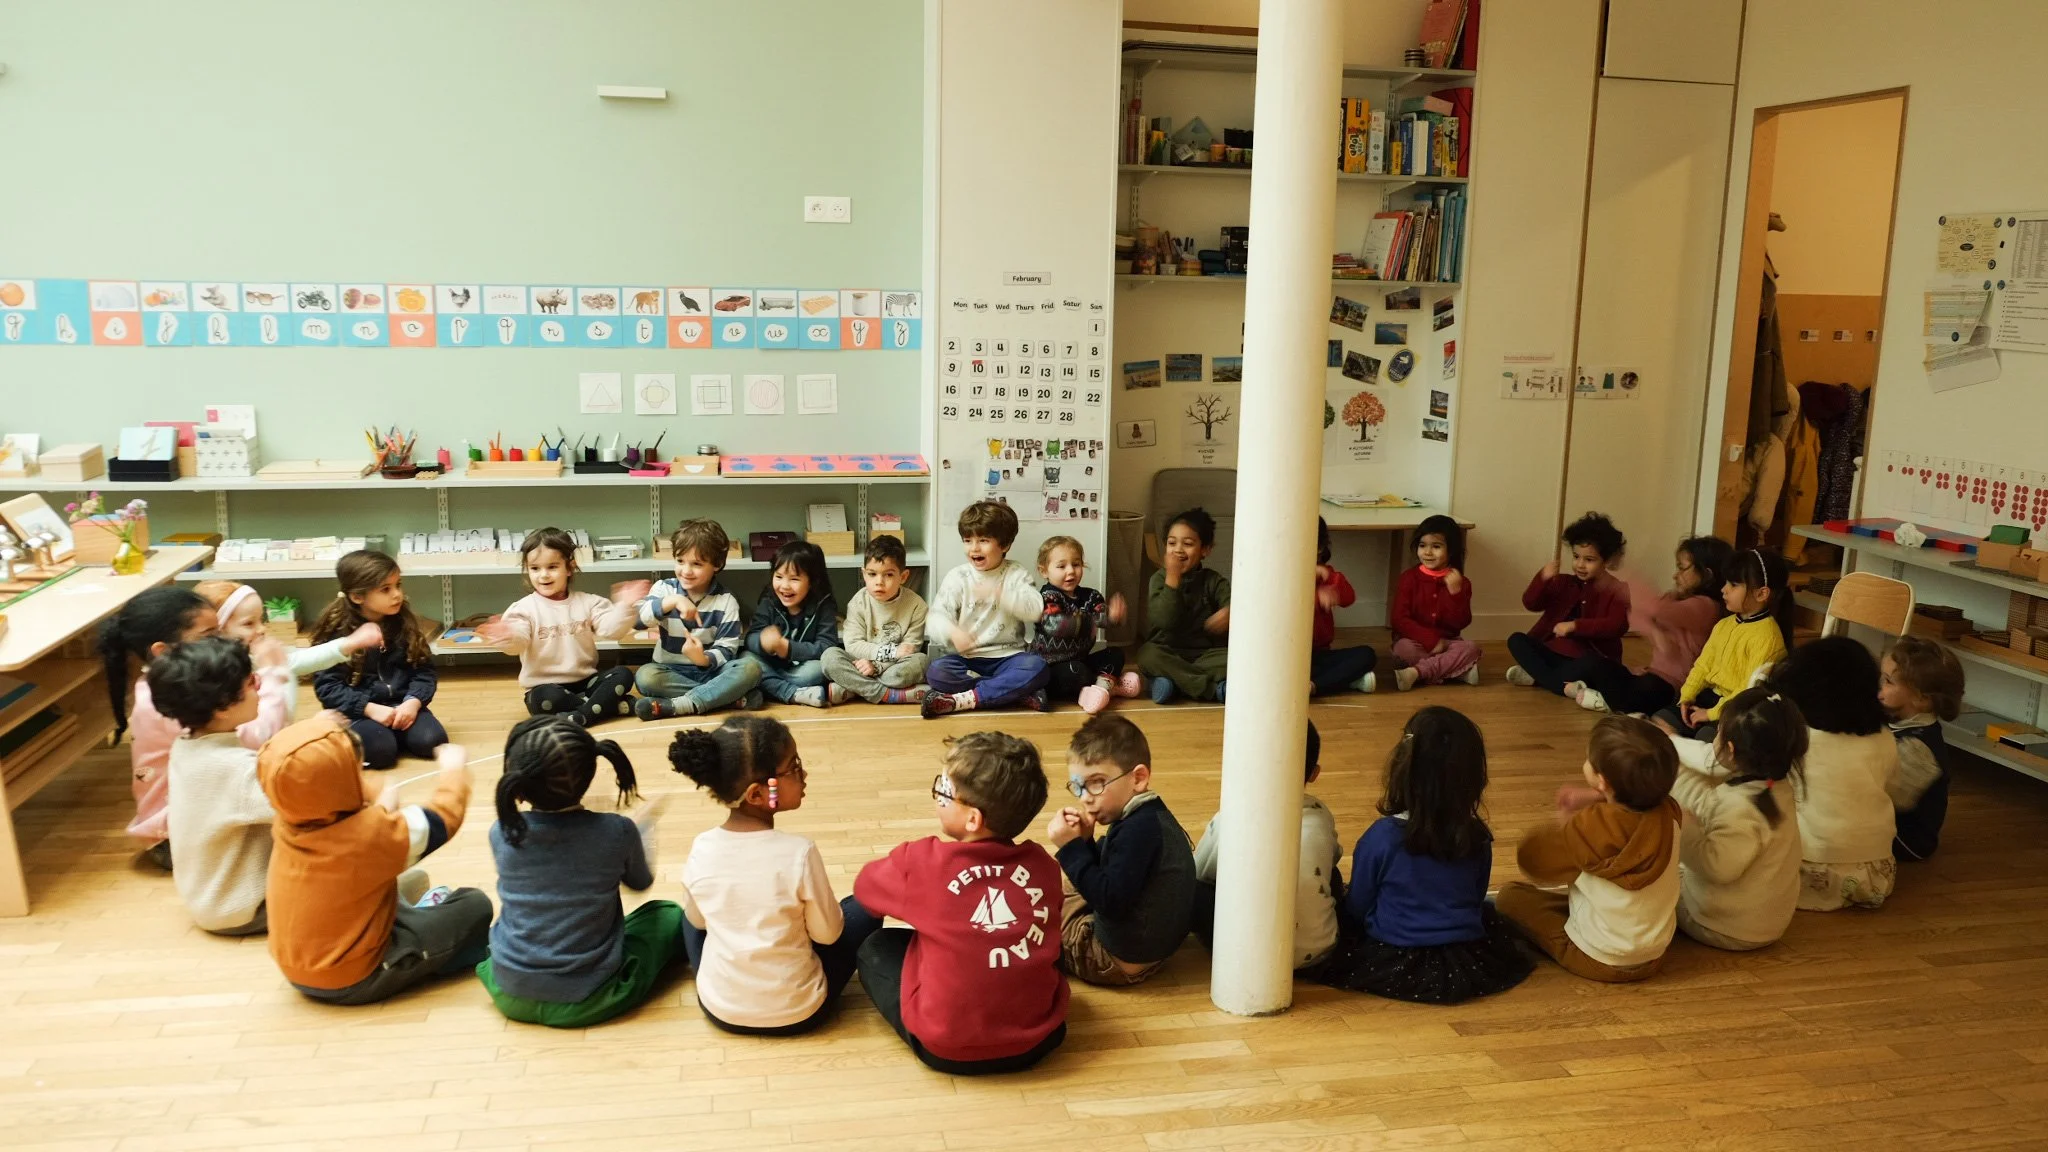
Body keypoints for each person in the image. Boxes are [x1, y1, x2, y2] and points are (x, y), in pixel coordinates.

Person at [853, 731, 1069, 1074]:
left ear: (972, 819)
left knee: (875, 947)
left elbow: (864, 890)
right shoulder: (1044, 865)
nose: (938, 795)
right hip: (1039, 1040)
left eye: (944, 790)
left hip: (948, 1048)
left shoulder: (922, 860)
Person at [670, 717, 880, 1034]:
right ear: (756, 794)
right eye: (793, 768)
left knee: (689, 915)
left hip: (721, 1009)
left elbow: (698, 924)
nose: (804, 774)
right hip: (800, 1012)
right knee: (865, 906)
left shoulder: (702, 847)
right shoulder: (799, 853)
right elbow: (828, 936)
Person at [263, 714, 491, 1005]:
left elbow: (334, 796)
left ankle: (417, 918)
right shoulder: (369, 836)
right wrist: (454, 772)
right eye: (357, 769)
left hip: (294, 964)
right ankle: (435, 954)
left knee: (402, 881)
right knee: (475, 904)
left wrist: (377, 798)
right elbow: (441, 819)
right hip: (356, 976)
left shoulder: (289, 819)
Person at [477, 717, 684, 1028]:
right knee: (667, 914)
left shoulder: (502, 831)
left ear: (519, 786)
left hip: (508, 989)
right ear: (590, 774)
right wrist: (642, 831)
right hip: (590, 997)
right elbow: (640, 883)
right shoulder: (617, 831)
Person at [1314, 707, 1531, 1004]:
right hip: (1467, 953)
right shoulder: (1477, 836)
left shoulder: (1382, 837)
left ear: (1403, 768)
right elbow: (1476, 895)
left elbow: (1359, 906)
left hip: (1397, 955)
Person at [1497, 715, 1681, 983]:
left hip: (1599, 958)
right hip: (1655, 953)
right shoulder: (1670, 812)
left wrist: (1564, 829)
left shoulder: (1588, 828)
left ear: (1602, 780)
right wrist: (1598, 797)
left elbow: (1532, 861)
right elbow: (1631, 818)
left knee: (1510, 897)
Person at [1047, 714, 1197, 986]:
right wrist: (1086, 842)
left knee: (1044, 917)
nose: (1085, 798)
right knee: (1071, 887)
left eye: (1096, 783)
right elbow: (1118, 879)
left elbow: (1110, 901)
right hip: (1151, 949)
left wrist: (1071, 849)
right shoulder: (1150, 815)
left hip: (1111, 960)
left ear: (1138, 778)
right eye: (1078, 787)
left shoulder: (1136, 832)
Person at [1190, 720, 1340, 972]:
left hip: (1246, 954)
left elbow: (1199, 872)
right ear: (1314, 773)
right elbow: (1332, 858)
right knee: (1328, 872)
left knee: (1194, 890)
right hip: (1319, 950)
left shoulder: (1232, 814)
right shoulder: (1321, 814)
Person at [147, 637, 273, 935]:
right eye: (252, 683)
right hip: (244, 908)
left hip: (208, 900)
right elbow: (311, 811)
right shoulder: (236, 769)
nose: (260, 690)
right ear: (222, 707)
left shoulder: (186, 746)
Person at [1766, 637, 1900, 911]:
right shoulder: (1885, 738)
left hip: (1810, 869)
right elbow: (1891, 786)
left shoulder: (1800, 739)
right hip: (1877, 873)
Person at [1669, 687, 1806, 951]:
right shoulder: (1775, 787)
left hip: (1727, 927)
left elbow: (1717, 867)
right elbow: (1724, 814)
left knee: (1659, 884)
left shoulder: (1741, 806)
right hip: (1768, 921)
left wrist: (1685, 829)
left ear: (1729, 749)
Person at [100, 586, 222, 868]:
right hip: (175, 838)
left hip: (190, 821)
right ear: (163, 651)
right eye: (210, 636)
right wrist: (275, 679)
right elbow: (248, 738)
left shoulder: (174, 683)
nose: (222, 642)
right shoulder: (165, 704)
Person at [476, 527, 647, 727]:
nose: (543, 575)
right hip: (546, 688)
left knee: (623, 674)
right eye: (535, 568)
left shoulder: (589, 602)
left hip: (587, 682)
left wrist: (624, 606)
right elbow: (518, 642)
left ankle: (580, 715)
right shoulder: (523, 609)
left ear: (569, 568)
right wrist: (507, 635)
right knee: (542, 698)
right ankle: (603, 707)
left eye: (552, 567)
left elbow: (611, 630)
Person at [311, 550, 449, 769]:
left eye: (398, 585)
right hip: (360, 711)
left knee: (432, 741)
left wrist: (412, 703)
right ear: (357, 597)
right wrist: (369, 709)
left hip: (403, 705)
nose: (397, 595)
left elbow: (424, 671)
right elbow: (328, 688)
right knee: (380, 753)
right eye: (386, 589)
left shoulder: (405, 623)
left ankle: (392, 734)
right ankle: (379, 737)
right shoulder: (337, 634)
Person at [1566, 536, 1733, 716]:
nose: (1675, 575)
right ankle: (1606, 697)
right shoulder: (1676, 598)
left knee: (1636, 687)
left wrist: (1625, 578)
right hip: (1653, 675)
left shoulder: (1705, 606)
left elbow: (1656, 611)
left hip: (1672, 687)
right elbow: (1643, 618)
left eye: (1682, 568)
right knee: (1595, 663)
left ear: (1706, 574)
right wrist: (1655, 631)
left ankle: (1612, 702)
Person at [197, 579, 384, 736]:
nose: (261, 629)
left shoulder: (252, 654)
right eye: (248, 624)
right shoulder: (223, 679)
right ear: (217, 630)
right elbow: (259, 735)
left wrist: (350, 643)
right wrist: (309, 729)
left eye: (261, 620)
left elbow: (298, 660)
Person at [922, 501, 1051, 718]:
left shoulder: (1015, 573)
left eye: (983, 540)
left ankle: (965, 700)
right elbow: (935, 617)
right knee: (936, 672)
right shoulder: (958, 577)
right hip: (967, 660)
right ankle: (1012, 693)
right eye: (968, 540)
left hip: (1009, 658)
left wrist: (1000, 594)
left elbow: (1035, 609)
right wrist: (953, 632)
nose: (974, 548)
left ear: (1005, 545)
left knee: (1037, 667)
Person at [1652, 548, 1790, 740]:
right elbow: (1703, 664)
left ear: (1761, 594)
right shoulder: (1724, 624)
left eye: (1733, 585)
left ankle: (1682, 750)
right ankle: (1681, 749)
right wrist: (1687, 695)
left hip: (1736, 708)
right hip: (1709, 697)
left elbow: (1748, 691)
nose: (1724, 589)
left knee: (1707, 739)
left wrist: (1710, 714)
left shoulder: (1767, 637)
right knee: (1659, 722)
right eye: (1726, 582)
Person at [634, 519, 761, 718]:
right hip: (670, 670)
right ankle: (726, 698)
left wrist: (702, 659)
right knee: (645, 677)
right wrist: (672, 601)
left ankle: (680, 705)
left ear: (717, 565)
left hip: (712, 671)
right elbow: (639, 621)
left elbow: (727, 649)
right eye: (680, 561)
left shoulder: (726, 601)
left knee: (751, 667)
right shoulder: (663, 589)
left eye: (697, 564)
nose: (686, 571)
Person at [1505, 512, 1631, 694]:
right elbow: (1531, 603)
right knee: (1516, 640)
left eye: (1589, 560)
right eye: (1576, 556)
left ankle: (1544, 678)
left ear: (1607, 560)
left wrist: (1575, 626)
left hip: (1587, 658)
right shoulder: (1564, 582)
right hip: (1552, 652)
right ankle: (1561, 684)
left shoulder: (1617, 589)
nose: (1580, 565)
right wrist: (1542, 578)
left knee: (1594, 665)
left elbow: (1617, 625)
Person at [1032, 535, 1140, 714]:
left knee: (1116, 654)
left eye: (1076, 564)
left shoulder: (1091, 596)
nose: (1071, 571)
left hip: (1080, 660)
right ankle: (1107, 685)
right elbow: (1056, 625)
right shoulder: (1046, 597)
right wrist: (1093, 621)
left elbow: (1102, 618)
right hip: (1052, 668)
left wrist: (1114, 616)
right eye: (1061, 566)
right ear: (1044, 571)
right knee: (1075, 672)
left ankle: (1103, 689)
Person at [1879, 637, 1964, 862]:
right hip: (1886, 820)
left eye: (1888, 682)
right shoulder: (1897, 720)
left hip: (1907, 839)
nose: (1880, 689)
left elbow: (1885, 798)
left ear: (1922, 699)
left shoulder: (1921, 749)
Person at [821, 535, 932, 706]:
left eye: (888, 575)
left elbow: (909, 649)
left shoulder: (917, 605)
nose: (879, 582)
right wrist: (889, 653)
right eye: (872, 574)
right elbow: (853, 645)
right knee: (829, 658)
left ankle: (852, 689)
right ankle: (887, 694)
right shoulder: (858, 602)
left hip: (891, 669)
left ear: (903, 577)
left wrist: (876, 667)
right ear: (864, 574)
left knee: (921, 661)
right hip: (859, 663)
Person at [1138, 507, 1232, 704]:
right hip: (1167, 650)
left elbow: (1234, 604)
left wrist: (1228, 613)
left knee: (1238, 657)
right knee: (1148, 655)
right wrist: (1173, 578)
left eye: (1187, 543)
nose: (1178, 549)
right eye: (1172, 543)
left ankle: (1170, 683)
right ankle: (1212, 690)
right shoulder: (1159, 579)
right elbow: (1166, 620)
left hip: (1204, 655)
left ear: (1205, 549)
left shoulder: (1214, 581)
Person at [744, 540, 848, 708]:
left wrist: (789, 649)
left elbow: (827, 646)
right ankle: (794, 694)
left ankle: (770, 688)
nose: (784, 586)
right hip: (770, 664)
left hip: (801, 669)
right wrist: (763, 643)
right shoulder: (769, 600)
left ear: (812, 581)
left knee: (817, 670)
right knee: (746, 660)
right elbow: (751, 637)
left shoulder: (824, 604)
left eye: (794, 579)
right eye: (778, 577)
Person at [1383, 514, 1479, 690]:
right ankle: (1456, 671)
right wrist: (1430, 640)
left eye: (1436, 546)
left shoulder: (1461, 582)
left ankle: (1416, 673)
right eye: (1422, 546)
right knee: (1403, 649)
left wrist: (1455, 594)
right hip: (1413, 642)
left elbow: (1462, 621)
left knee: (1471, 648)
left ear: (1451, 551)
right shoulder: (1409, 578)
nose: (1427, 552)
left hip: (1448, 642)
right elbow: (1399, 619)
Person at [1309, 518, 1379, 696]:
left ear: (1319, 548)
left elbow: (1349, 598)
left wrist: (1328, 579)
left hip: (1318, 655)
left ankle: (1314, 686)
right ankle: (1345, 681)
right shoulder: (1282, 575)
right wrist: (1317, 598)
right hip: (1288, 654)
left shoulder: (1328, 575)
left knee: (1367, 655)